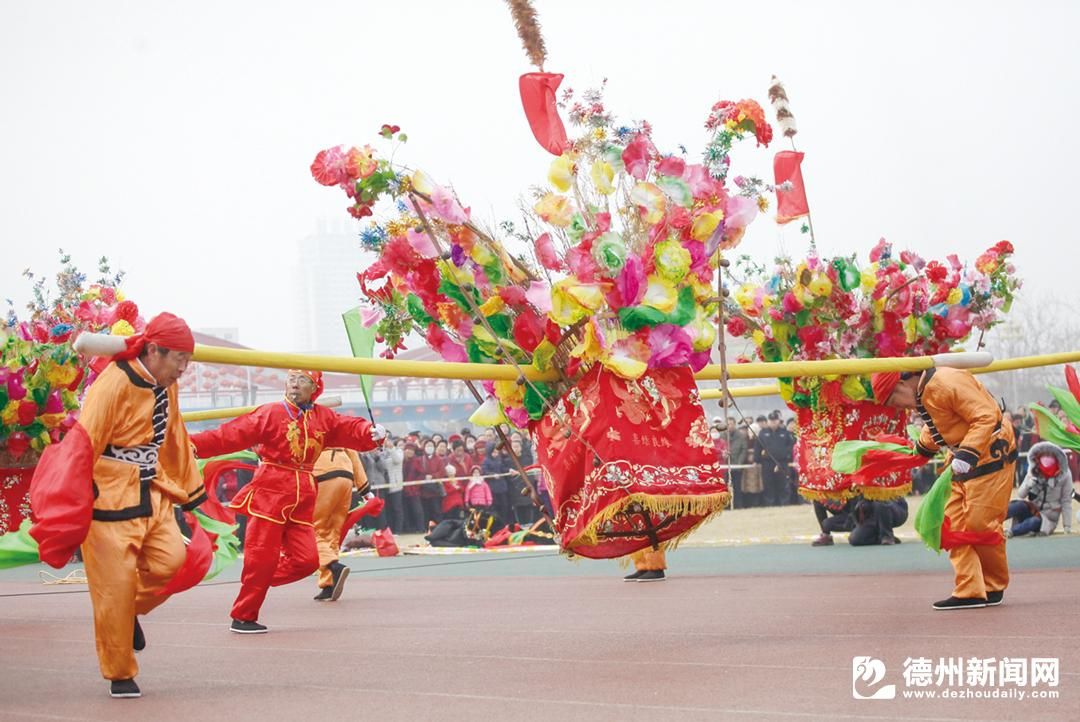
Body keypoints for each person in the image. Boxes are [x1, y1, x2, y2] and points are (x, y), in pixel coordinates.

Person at [34, 314, 206, 698]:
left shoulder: (168, 385)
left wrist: (193, 492)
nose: (183, 367)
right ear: (153, 350)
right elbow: (83, 444)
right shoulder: (112, 383)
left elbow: (175, 435)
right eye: (178, 358)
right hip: (107, 497)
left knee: (172, 562)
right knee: (114, 589)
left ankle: (127, 613)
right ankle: (120, 672)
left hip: (153, 489)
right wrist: (72, 503)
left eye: (187, 359)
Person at [190, 369, 386, 633]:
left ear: (314, 388)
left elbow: (348, 428)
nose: (295, 384)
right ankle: (243, 615)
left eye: (303, 380)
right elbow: (228, 435)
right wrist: (188, 444)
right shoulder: (270, 413)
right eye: (291, 379)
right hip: (270, 494)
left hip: (303, 498)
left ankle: (256, 580)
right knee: (261, 558)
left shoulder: (323, 418)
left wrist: (369, 432)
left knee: (307, 559)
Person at [874, 367, 1016, 610]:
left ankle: (993, 585)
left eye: (893, 401)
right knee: (949, 523)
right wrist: (920, 449)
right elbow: (944, 421)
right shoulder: (926, 392)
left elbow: (985, 415)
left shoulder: (947, 380)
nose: (899, 408)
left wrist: (968, 451)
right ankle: (969, 589)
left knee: (981, 524)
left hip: (991, 455)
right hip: (962, 460)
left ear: (901, 385)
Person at [311, 446, 370, 601]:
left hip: (321, 473)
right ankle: (328, 584)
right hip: (346, 475)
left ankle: (332, 565)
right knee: (333, 532)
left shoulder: (309, 423)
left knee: (314, 530)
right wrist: (364, 488)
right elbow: (353, 453)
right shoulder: (340, 423)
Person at [1006, 442, 1073, 537]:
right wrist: (1028, 485)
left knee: (1034, 521)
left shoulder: (1065, 475)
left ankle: (1010, 532)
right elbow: (1021, 495)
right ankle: (991, 521)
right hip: (1032, 509)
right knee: (1018, 505)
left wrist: (1067, 526)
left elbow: (1066, 501)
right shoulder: (1033, 470)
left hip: (1047, 519)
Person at [755, 411, 795, 507]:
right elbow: (758, 447)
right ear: (768, 421)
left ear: (778, 421)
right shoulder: (762, 433)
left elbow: (791, 446)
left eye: (775, 420)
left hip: (782, 463)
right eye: (771, 420)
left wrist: (787, 456)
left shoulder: (785, 433)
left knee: (783, 485)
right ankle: (769, 504)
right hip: (767, 463)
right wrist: (757, 460)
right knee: (768, 485)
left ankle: (784, 504)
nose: (773, 422)